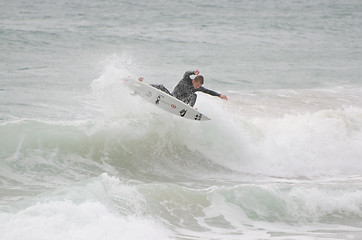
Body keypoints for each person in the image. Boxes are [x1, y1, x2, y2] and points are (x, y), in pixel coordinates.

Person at [138, 70, 227, 107]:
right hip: (172, 97)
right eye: (197, 85)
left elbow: (208, 91)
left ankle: (190, 109)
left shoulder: (197, 88)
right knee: (161, 87)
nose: (198, 87)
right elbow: (187, 73)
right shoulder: (186, 79)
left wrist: (220, 95)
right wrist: (193, 72)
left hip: (182, 103)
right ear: (194, 81)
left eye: (199, 86)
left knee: (194, 95)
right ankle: (143, 85)